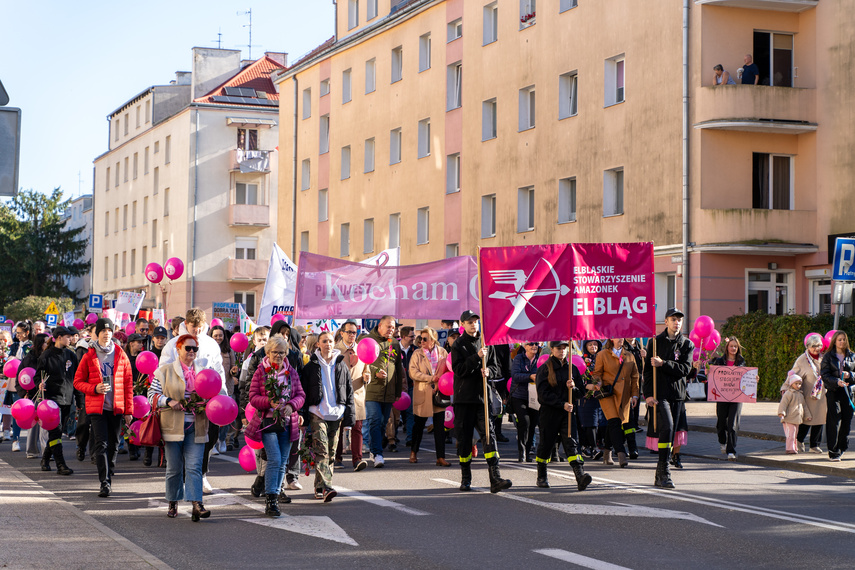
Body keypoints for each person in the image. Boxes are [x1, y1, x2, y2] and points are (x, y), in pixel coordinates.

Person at [149, 334, 223, 521]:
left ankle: (197, 504)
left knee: (195, 467)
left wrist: (208, 403)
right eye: (187, 348)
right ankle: (173, 501)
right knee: (174, 468)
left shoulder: (203, 372)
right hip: (172, 427)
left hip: (197, 426)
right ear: (178, 349)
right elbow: (152, 395)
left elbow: (214, 394)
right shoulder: (164, 371)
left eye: (194, 349)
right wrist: (169, 401)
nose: (191, 352)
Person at [451, 310, 512, 493]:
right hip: (464, 399)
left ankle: (495, 478)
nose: (473, 325)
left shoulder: (487, 342)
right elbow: (459, 370)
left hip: (482, 399)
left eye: (475, 321)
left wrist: (489, 372)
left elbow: (496, 368)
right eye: (469, 322)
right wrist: (477, 357)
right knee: (464, 439)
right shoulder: (458, 345)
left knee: (489, 436)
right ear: (462, 324)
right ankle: (465, 478)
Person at [73, 319, 134, 498]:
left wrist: (129, 411)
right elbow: (77, 382)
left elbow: (128, 384)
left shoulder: (121, 354)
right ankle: (104, 482)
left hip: (115, 407)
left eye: (109, 330)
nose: (107, 333)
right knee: (101, 444)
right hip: (96, 408)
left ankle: (109, 471)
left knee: (114, 444)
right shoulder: (89, 355)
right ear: (97, 333)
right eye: (103, 331)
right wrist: (94, 388)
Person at [249, 335, 305, 515]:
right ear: (268, 352)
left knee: (282, 462)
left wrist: (291, 405)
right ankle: (271, 499)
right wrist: (268, 402)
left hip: (288, 423)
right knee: (274, 459)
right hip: (267, 422)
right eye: (275, 352)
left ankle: (274, 495)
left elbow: (300, 395)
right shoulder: (261, 371)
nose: (278, 356)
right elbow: (253, 396)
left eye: (282, 352)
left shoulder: (292, 372)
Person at [643, 308, 694, 489]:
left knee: (670, 433)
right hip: (660, 394)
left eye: (679, 320)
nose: (676, 323)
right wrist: (647, 395)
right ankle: (665, 470)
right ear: (665, 322)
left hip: (677, 395)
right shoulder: (654, 343)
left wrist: (663, 363)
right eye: (673, 319)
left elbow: (685, 369)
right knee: (668, 426)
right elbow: (648, 372)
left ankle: (659, 472)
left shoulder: (687, 344)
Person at [303, 331, 354, 502]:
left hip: (337, 414)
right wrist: (303, 415)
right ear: (318, 344)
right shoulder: (310, 367)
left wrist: (349, 418)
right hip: (318, 413)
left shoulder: (341, 365)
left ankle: (319, 487)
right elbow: (304, 392)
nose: (328, 344)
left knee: (331, 453)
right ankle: (327, 487)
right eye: (324, 341)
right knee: (322, 451)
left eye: (331, 341)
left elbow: (349, 392)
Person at [534, 341, 592, 491]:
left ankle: (580, 477)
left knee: (572, 443)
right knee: (546, 444)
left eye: (564, 348)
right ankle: (542, 476)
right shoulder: (544, 369)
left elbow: (581, 393)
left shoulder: (571, 368)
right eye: (558, 348)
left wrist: (574, 388)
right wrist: (562, 404)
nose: (562, 351)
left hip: (568, 413)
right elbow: (542, 395)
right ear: (552, 350)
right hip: (550, 413)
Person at [590, 338, 640, 468]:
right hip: (608, 393)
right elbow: (597, 373)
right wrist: (598, 382)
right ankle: (621, 453)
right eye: (618, 338)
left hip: (623, 395)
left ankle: (607, 452)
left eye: (622, 338)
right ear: (611, 339)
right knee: (614, 421)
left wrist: (635, 394)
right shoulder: (603, 354)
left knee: (615, 423)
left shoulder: (629, 355)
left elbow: (635, 376)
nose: (620, 340)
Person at [35, 326, 78, 475]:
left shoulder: (71, 355)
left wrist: (79, 401)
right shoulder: (46, 356)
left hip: (68, 400)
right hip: (52, 401)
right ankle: (61, 465)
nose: (70, 339)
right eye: (68, 336)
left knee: (57, 434)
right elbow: (37, 377)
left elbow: (76, 379)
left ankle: (45, 459)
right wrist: (39, 384)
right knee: (55, 433)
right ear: (59, 337)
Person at [363, 316, 405, 468]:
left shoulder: (394, 343)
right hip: (372, 390)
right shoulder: (368, 340)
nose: (391, 330)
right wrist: (375, 373)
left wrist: (398, 390)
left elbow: (398, 368)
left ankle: (375, 449)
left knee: (382, 423)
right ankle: (377, 453)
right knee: (374, 420)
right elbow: (362, 363)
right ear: (380, 326)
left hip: (389, 391)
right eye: (388, 327)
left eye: (393, 328)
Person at [409, 327, 450, 466]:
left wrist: (439, 383)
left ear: (433, 340)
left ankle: (440, 457)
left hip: (439, 391)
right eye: (420, 338)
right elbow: (412, 372)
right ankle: (413, 452)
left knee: (440, 427)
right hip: (423, 393)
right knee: (419, 425)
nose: (422, 341)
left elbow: (448, 370)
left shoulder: (442, 352)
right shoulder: (417, 353)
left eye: (425, 339)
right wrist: (430, 378)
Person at [334, 320, 369, 471]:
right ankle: (337, 458)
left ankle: (357, 460)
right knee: (339, 427)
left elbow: (367, 369)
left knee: (357, 427)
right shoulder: (335, 350)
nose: (351, 335)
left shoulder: (362, 349)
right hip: (339, 394)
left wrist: (368, 376)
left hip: (357, 393)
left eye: (354, 332)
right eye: (349, 332)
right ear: (342, 333)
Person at [820, 331, 855, 462]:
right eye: (839, 339)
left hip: (848, 392)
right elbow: (824, 375)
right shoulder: (828, 356)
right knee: (834, 421)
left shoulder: (852, 356)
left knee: (847, 419)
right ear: (834, 341)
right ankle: (833, 451)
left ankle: (842, 447)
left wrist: (849, 376)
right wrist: (836, 381)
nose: (842, 342)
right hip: (834, 391)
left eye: (844, 339)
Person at [709, 337, 746, 460]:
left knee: (733, 425)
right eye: (731, 346)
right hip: (722, 396)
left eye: (736, 346)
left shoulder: (741, 362)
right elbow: (713, 375)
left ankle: (731, 451)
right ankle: (722, 442)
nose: (733, 348)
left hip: (736, 397)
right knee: (721, 423)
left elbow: (745, 377)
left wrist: (753, 379)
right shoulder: (719, 361)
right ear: (727, 347)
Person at [790, 333, 826, 453]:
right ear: (808, 346)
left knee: (820, 419)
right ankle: (799, 440)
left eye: (819, 346)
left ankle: (814, 445)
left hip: (821, 394)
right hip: (807, 394)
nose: (817, 349)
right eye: (814, 346)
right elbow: (793, 375)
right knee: (807, 419)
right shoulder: (801, 359)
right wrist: (787, 389)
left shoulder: (823, 357)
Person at [17, 333, 50, 459]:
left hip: (47, 394)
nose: (48, 344)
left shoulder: (50, 356)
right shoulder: (29, 358)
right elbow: (19, 377)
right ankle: (32, 451)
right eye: (46, 342)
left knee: (46, 424)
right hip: (32, 395)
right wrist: (23, 394)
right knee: (33, 425)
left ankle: (46, 452)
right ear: (39, 343)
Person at [510, 341, 542, 462]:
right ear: (525, 346)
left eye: (536, 344)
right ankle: (521, 451)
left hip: (534, 396)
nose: (534, 346)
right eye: (530, 344)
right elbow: (515, 375)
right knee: (524, 421)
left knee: (533, 424)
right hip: (519, 396)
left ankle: (528, 452)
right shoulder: (519, 358)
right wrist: (530, 376)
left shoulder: (540, 359)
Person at [209, 325, 238, 454]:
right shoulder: (207, 349)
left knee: (226, 417)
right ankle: (213, 443)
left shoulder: (229, 351)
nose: (218, 338)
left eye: (220, 335)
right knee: (213, 417)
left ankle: (222, 439)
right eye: (215, 335)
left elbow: (233, 368)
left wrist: (233, 371)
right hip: (211, 388)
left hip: (227, 388)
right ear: (211, 336)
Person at [4, 322, 33, 452]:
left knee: (32, 412)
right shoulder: (14, 345)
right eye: (16, 332)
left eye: (20, 332)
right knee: (17, 411)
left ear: (27, 333)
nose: (17, 335)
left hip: (30, 380)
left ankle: (31, 442)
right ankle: (16, 439)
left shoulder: (32, 346)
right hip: (16, 383)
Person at [578, 339, 604, 459]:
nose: (593, 346)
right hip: (588, 395)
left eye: (595, 344)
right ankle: (592, 447)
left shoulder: (603, 358)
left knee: (602, 422)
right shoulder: (582, 360)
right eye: (590, 344)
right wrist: (586, 385)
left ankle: (600, 444)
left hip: (602, 394)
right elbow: (577, 377)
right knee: (590, 421)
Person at [778, 373, 806, 454]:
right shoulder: (788, 393)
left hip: (797, 418)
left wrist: (808, 415)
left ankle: (794, 447)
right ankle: (790, 448)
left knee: (795, 434)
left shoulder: (800, 394)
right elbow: (783, 404)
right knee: (791, 433)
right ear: (791, 384)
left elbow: (804, 406)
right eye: (796, 383)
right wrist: (781, 412)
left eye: (799, 384)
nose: (798, 385)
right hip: (789, 417)